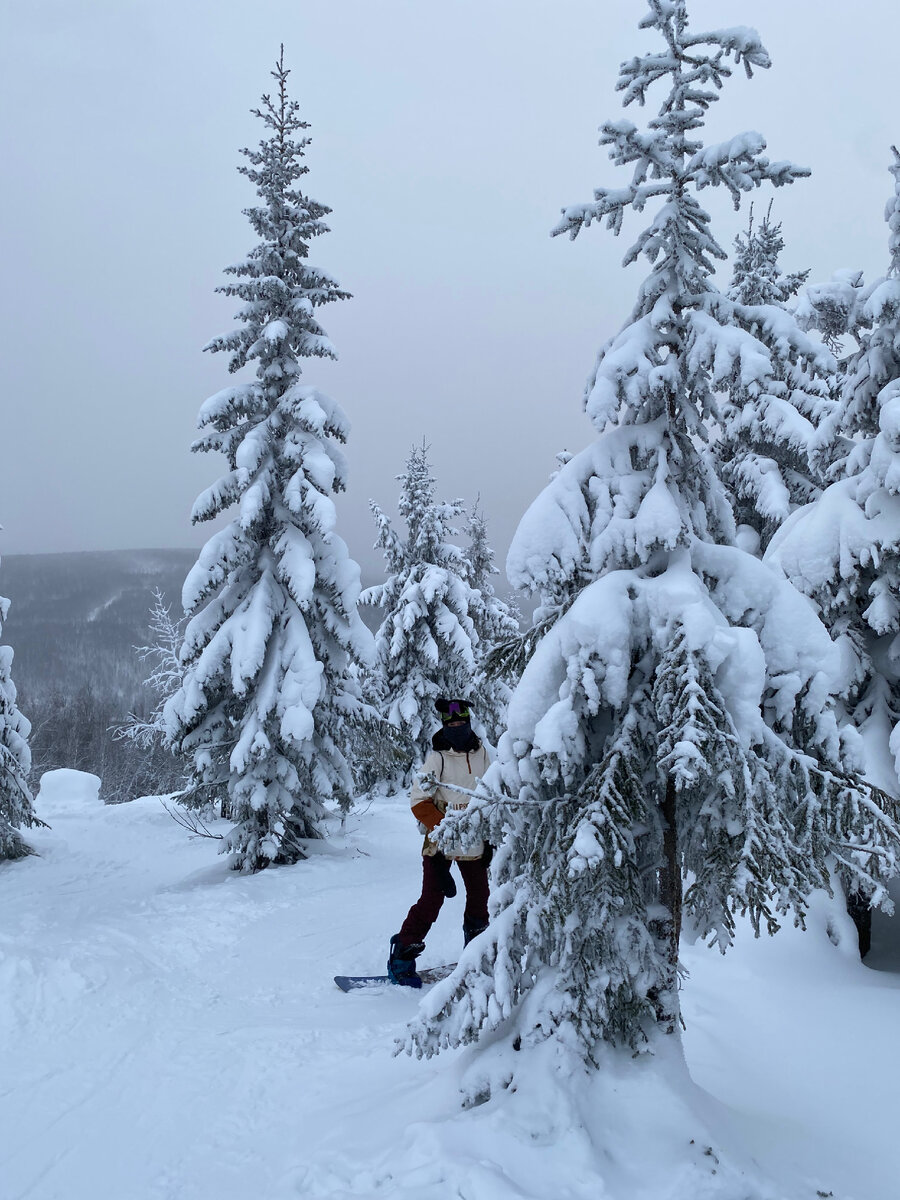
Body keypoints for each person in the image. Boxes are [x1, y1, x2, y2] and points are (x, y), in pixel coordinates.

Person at [387, 697, 492, 987]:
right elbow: (418, 801)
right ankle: (401, 958)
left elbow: (494, 792)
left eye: (462, 723)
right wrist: (444, 827)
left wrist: (491, 836)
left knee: (480, 900)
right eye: (452, 724)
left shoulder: (484, 754)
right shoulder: (438, 758)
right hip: (440, 843)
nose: (457, 728)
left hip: (474, 841)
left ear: (469, 723)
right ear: (445, 727)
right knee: (431, 901)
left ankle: (475, 956)